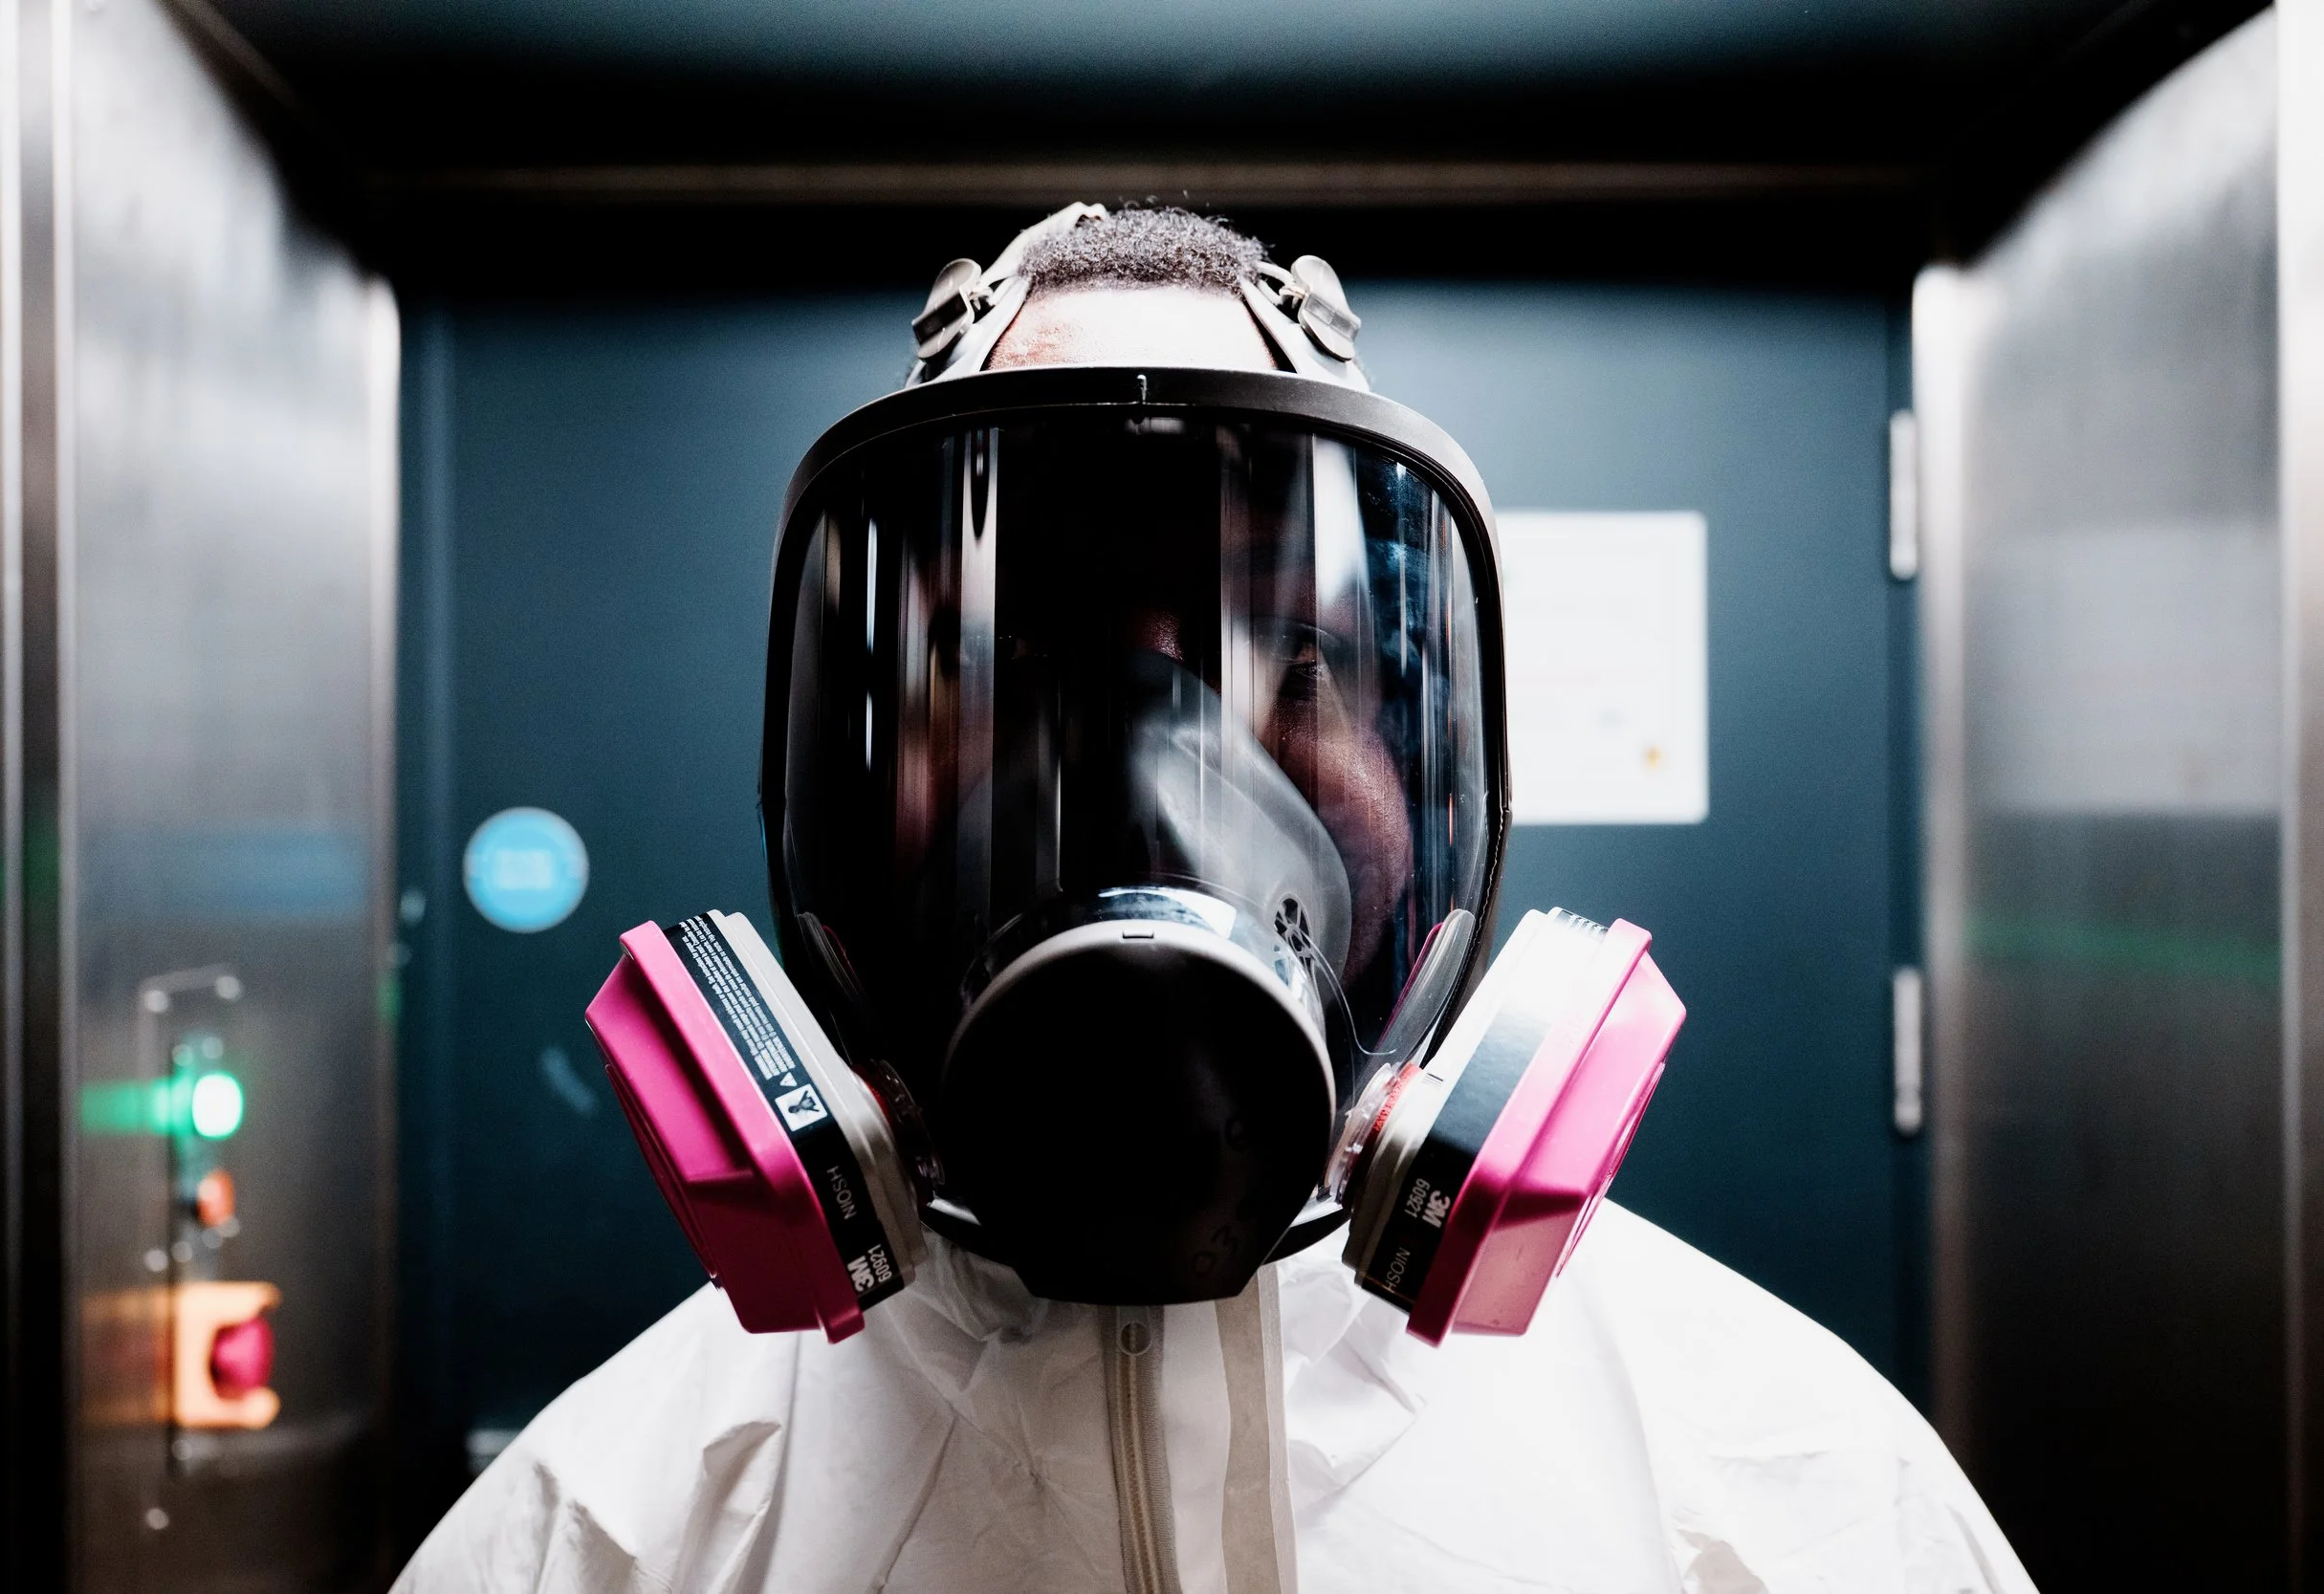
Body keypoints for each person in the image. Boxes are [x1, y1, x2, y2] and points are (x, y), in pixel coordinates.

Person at [393, 207, 2033, 1594]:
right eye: (1005, 663)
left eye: (1290, 656)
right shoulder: (602, 1536)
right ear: (838, 791)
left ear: (1424, 772)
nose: (1153, 766)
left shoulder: (1788, 1501)